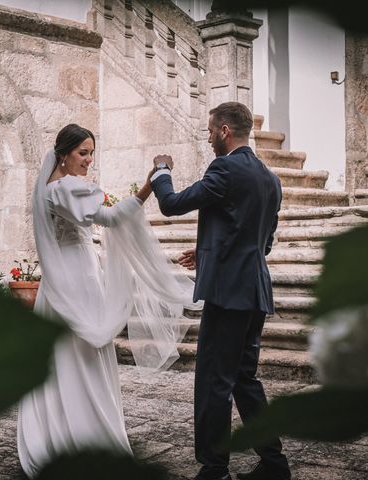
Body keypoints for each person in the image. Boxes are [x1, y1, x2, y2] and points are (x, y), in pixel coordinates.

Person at [17, 124, 199, 478]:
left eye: (91, 154)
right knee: (82, 354)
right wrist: (152, 180)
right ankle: (85, 436)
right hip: (77, 278)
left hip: (63, 279)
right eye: (83, 153)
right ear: (63, 154)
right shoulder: (67, 187)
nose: (88, 161)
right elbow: (114, 218)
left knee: (63, 359)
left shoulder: (49, 189)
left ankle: (62, 434)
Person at [148, 102, 291, 480]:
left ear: (225, 130)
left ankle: (214, 469)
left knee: (215, 381)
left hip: (228, 294)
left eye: (211, 130)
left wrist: (162, 171)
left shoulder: (224, 167)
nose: (209, 137)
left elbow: (172, 204)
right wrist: (207, 250)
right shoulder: (269, 178)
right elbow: (262, 242)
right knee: (244, 378)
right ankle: (275, 466)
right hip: (255, 290)